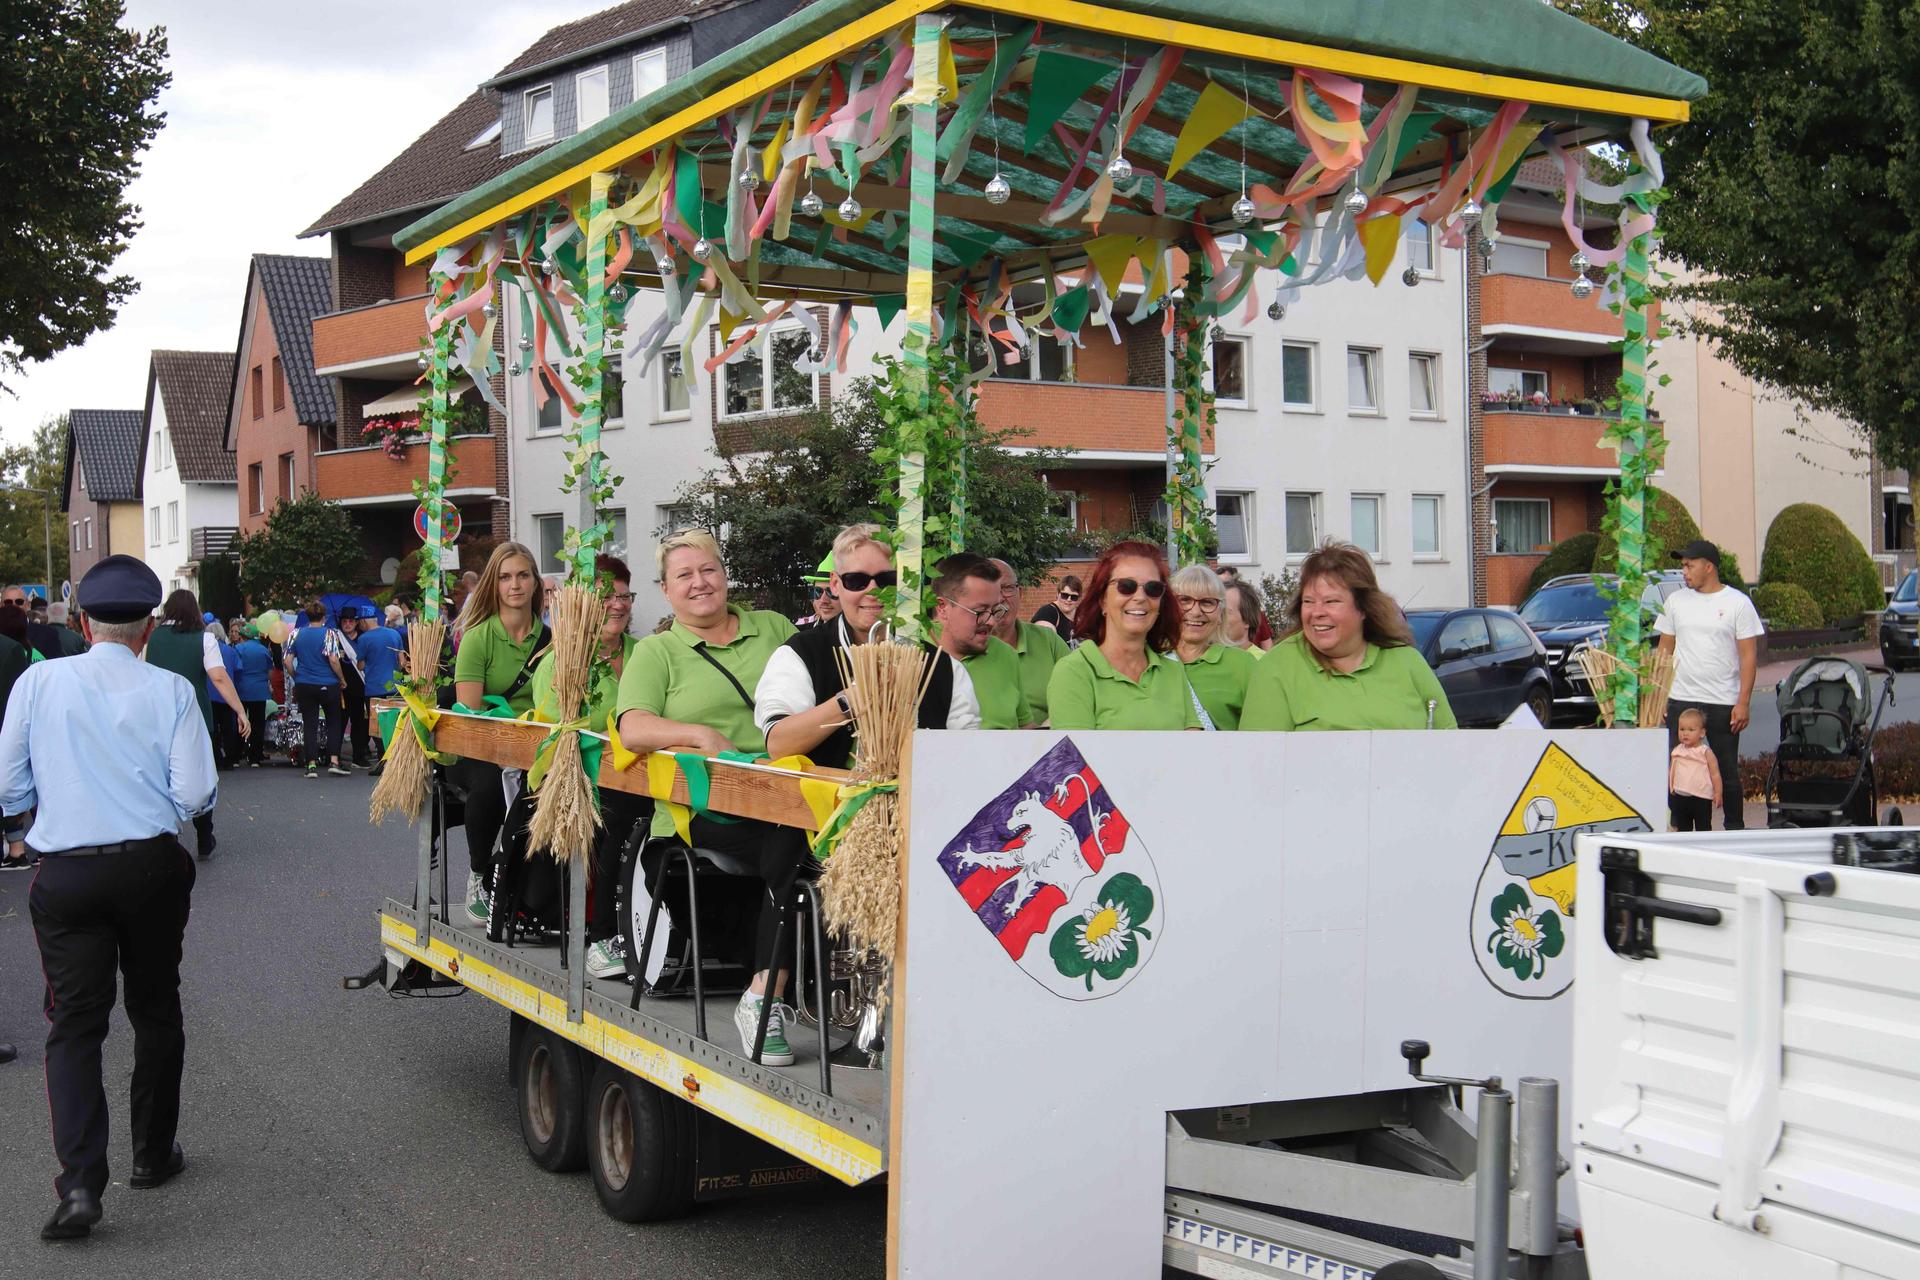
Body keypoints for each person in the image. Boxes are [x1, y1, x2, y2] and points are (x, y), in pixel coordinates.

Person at [1, 555, 214, 1242]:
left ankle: (81, 1187)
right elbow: (195, 795)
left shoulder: (38, 681)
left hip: (66, 872)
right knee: (155, 1006)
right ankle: (152, 1155)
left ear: (83, 622)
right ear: (148, 625)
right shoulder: (172, 691)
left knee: (74, 1026)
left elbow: (9, 789)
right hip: (150, 866)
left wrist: (47, 806)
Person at [616, 530, 799, 1061]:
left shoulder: (775, 629)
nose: (700, 583)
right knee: (792, 842)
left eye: (708, 569)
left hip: (792, 788)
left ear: (725, 573)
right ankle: (763, 1002)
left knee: (810, 838)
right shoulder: (658, 651)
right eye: (684, 576)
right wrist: (698, 736)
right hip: (706, 806)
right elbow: (632, 728)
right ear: (667, 590)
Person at [529, 555, 646, 979]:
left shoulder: (647, 654)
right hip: (581, 781)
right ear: (582, 603)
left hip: (644, 778)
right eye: (605, 597)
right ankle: (602, 936)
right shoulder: (561, 663)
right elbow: (555, 737)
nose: (617, 605)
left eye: (624, 596)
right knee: (616, 816)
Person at [1240, 543, 1456, 731]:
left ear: (1363, 608)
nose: (1317, 612)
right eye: (1308, 601)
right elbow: (1259, 761)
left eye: (1331, 601)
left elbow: (1449, 743)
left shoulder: (1407, 661)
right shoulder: (1277, 668)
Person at [452, 542, 549, 924]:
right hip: (480, 747)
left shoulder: (552, 639)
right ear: (493, 585)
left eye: (523, 575)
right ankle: (479, 871)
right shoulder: (479, 637)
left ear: (535, 582)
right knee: (492, 784)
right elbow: (469, 712)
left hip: (535, 747)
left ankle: (526, 882)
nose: (515, 585)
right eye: (505, 577)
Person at [1655, 539, 1762, 831]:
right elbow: (1664, 650)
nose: (1684, 572)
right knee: (1678, 768)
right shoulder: (1675, 602)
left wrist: (1743, 702)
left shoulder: (1737, 603)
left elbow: (1748, 655)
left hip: (1722, 701)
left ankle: (1735, 829)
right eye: (1683, 566)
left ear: (1708, 566)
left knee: (1726, 770)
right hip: (1681, 698)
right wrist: (1660, 694)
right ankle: (1679, 828)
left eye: (1689, 565)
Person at [1046, 541, 1201, 731]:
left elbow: (1195, 752)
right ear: (1102, 599)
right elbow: (1076, 759)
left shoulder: (1174, 673)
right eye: (1126, 586)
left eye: (1153, 589)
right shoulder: (1073, 672)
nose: (1140, 597)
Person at [146, 590, 249, 857]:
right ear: (195, 610)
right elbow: (219, 678)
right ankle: (204, 834)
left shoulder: (151, 638)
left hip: (156, 716)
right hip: (196, 717)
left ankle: (165, 834)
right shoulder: (204, 639)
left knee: (159, 775)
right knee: (199, 774)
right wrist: (240, 710)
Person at [935, 554, 1033, 730]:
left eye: (995, 610)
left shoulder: (1006, 655)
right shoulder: (917, 656)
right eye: (979, 611)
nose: (991, 622)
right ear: (943, 608)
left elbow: (1026, 727)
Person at [1170, 565, 1258, 730]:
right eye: (1185, 600)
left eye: (1207, 602)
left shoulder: (1243, 665)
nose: (1196, 612)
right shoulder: (1151, 659)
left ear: (1220, 614)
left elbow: (1262, 734)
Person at [987, 558, 1070, 724]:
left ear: (1021, 593)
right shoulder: (963, 646)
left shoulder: (1048, 641)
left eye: (1007, 588)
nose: (999, 599)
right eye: (990, 589)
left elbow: (1078, 693)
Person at [286, 600, 349, 779]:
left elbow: (287, 661)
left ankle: (311, 764)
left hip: (304, 683)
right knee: (334, 722)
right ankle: (334, 761)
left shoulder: (296, 633)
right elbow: (334, 660)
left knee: (310, 723)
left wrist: (296, 676)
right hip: (327, 683)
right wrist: (342, 679)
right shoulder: (329, 633)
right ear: (324, 617)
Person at [1668, 707, 1719, 832]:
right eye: (1682, 729)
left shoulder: (1705, 752)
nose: (1685, 733)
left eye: (1691, 730)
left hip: (1701, 798)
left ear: (1702, 733)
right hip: (1681, 797)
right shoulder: (1677, 750)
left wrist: (1718, 792)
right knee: (1684, 829)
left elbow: (1715, 774)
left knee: (1703, 827)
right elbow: (1672, 770)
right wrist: (1671, 787)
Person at [232, 624, 273, 766]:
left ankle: (236, 756)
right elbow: (270, 671)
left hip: (241, 689)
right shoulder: (264, 650)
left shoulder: (238, 649)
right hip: (259, 690)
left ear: (243, 636)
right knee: (258, 724)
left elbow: (234, 668)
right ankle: (255, 757)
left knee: (239, 722)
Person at [1030, 575, 1081, 645]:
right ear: (1057, 594)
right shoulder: (1047, 613)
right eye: (1065, 595)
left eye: (1074, 597)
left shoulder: (1082, 615)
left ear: (1079, 598)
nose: (1069, 600)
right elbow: (1046, 645)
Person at [795, 553, 840, 629]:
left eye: (831, 592)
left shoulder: (864, 637)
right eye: (818, 592)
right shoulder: (796, 634)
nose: (823, 600)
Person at [1222, 579, 1266, 654]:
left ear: (1247, 620)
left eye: (1225, 612)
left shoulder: (1261, 662)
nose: (1217, 618)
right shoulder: (1203, 659)